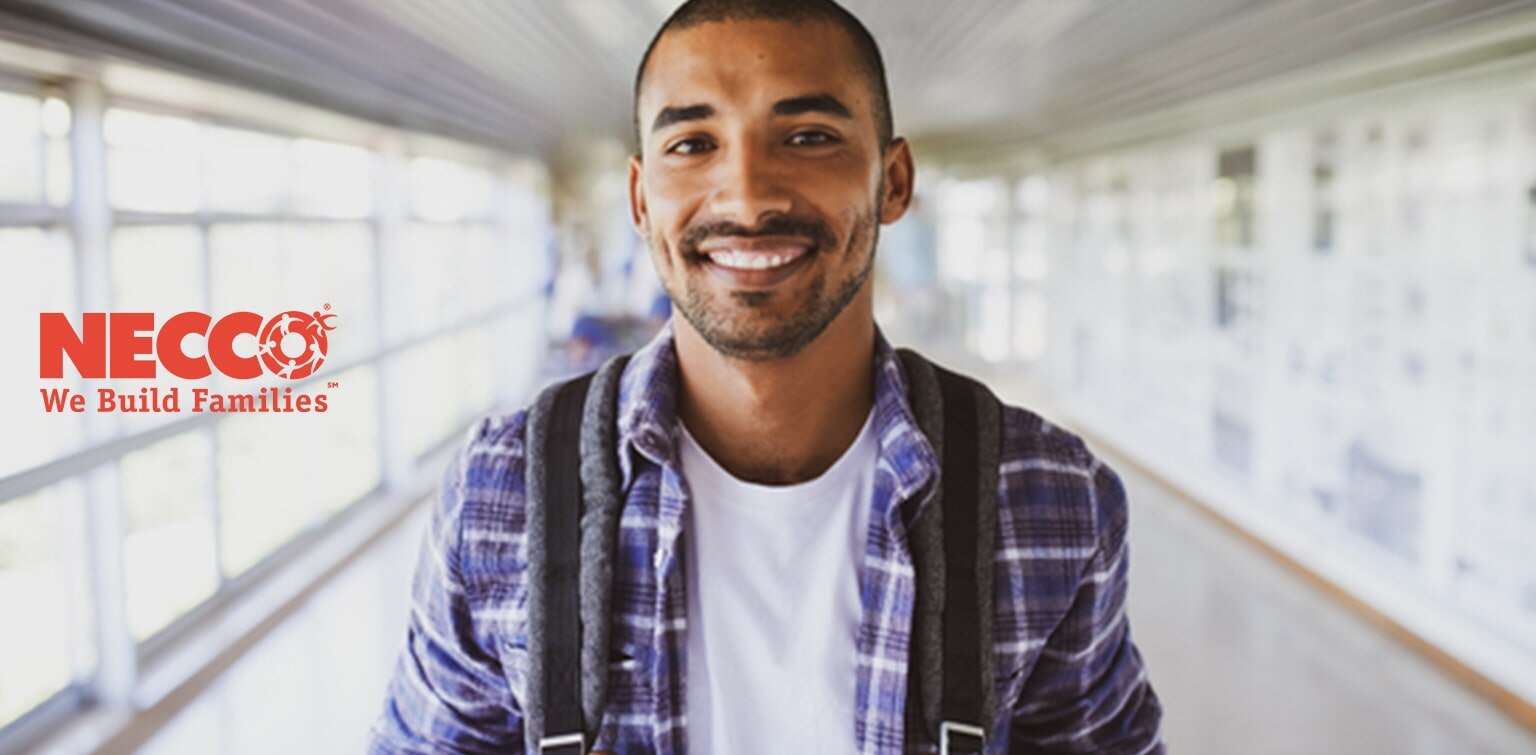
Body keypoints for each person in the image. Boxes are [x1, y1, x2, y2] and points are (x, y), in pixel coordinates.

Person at [369, 1, 1164, 752]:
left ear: (892, 183)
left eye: (809, 136)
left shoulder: (1048, 498)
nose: (747, 195)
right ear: (642, 197)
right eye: (692, 144)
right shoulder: (502, 493)